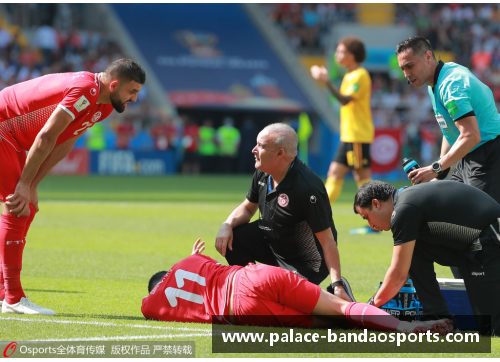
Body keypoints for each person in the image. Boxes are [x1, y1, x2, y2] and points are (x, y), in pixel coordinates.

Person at [0, 58, 146, 315]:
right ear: (113, 85)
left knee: (28, 206)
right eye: (132, 91)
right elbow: (46, 136)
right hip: (4, 129)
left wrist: (32, 184)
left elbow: (64, 143)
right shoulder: (85, 90)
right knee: (18, 206)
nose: (134, 98)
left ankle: (5, 292)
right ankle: (12, 298)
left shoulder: (105, 107)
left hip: (13, 138)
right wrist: (24, 184)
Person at [142, 239, 453, 335]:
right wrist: (193, 257)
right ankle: (404, 328)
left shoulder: (153, 305)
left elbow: (151, 302)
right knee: (341, 308)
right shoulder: (187, 263)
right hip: (254, 276)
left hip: (240, 310)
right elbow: (196, 268)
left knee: (334, 326)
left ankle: (392, 330)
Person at [396, 35, 500, 279]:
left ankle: (484, 293)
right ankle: (468, 291)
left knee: (477, 229)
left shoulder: (450, 85)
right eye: (402, 68)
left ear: (428, 56)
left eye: (410, 65)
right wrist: (440, 175)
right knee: (448, 218)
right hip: (470, 157)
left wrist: (435, 167)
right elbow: (450, 131)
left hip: (489, 155)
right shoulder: (438, 80)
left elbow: (471, 135)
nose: (406, 74)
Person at [214, 123, 352, 302]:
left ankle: (333, 296)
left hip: (305, 263)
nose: (253, 150)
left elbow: (327, 241)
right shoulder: (263, 171)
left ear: (280, 154)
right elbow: (248, 207)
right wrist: (227, 224)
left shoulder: (307, 188)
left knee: (286, 303)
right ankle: (249, 289)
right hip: (273, 244)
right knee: (235, 237)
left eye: (261, 146)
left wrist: (337, 284)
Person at [353, 180, 500, 336]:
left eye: (366, 217)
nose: (370, 225)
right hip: (472, 245)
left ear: (376, 204)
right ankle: (438, 319)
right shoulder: (405, 200)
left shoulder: (404, 209)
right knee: (413, 251)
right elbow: (404, 268)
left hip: (489, 240)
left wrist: (368, 308)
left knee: (492, 329)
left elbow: (398, 275)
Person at [310, 36, 374, 209]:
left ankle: (376, 220)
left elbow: (345, 100)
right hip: (349, 136)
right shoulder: (349, 75)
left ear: (352, 55)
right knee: (334, 174)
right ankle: (317, 213)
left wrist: (326, 81)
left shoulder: (360, 75)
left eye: (341, 51)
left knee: (362, 180)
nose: (337, 55)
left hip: (358, 135)